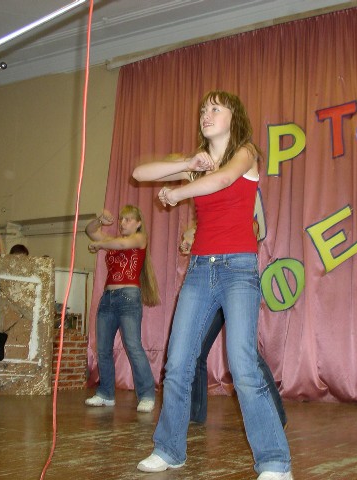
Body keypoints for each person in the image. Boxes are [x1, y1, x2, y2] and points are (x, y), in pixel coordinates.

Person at [132, 91, 291, 480]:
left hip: (239, 269)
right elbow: (139, 174)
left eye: (216, 108)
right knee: (178, 362)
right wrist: (187, 165)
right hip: (200, 270)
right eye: (204, 108)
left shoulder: (247, 153)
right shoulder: (197, 165)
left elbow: (222, 179)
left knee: (243, 364)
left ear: (234, 118)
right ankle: (169, 449)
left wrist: (177, 192)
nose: (206, 113)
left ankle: (275, 462)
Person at [180, 226, 287, 427]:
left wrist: (196, 235)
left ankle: (278, 418)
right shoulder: (207, 217)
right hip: (210, 282)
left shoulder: (238, 214)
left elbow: (249, 229)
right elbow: (198, 233)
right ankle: (195, 413)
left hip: (234, 279)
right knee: (197, 349)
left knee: (246, 355)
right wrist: (193, 239)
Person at [84, 205, 160, 413]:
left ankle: (147, 395)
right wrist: (99, 220)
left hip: (129, 296)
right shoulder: (112, 241)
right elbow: (90, 230)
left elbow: (121, 243)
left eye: (128, 220)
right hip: (108, 298)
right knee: (103, 349)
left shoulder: (140, 238)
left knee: (133, 346)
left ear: (138, 223)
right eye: (121, 219)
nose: (122, 223)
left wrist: (100, 244)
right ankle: (106, 394)